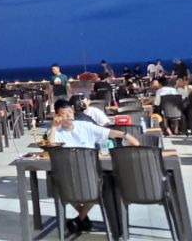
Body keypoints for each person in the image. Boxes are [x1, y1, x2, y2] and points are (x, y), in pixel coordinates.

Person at [47, 99, 138, 234]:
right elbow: (50, 147)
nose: (68, 116)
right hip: (69, 176)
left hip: (90, 174)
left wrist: (126, 135)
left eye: (70, 112)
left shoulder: (85, 126)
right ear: (57, 116)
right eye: (64, 114)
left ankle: (81, 218)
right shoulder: (55, 132)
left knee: (103, 183)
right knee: (58, 183)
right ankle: (82, 218)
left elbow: (107, 132)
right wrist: (54, 127)